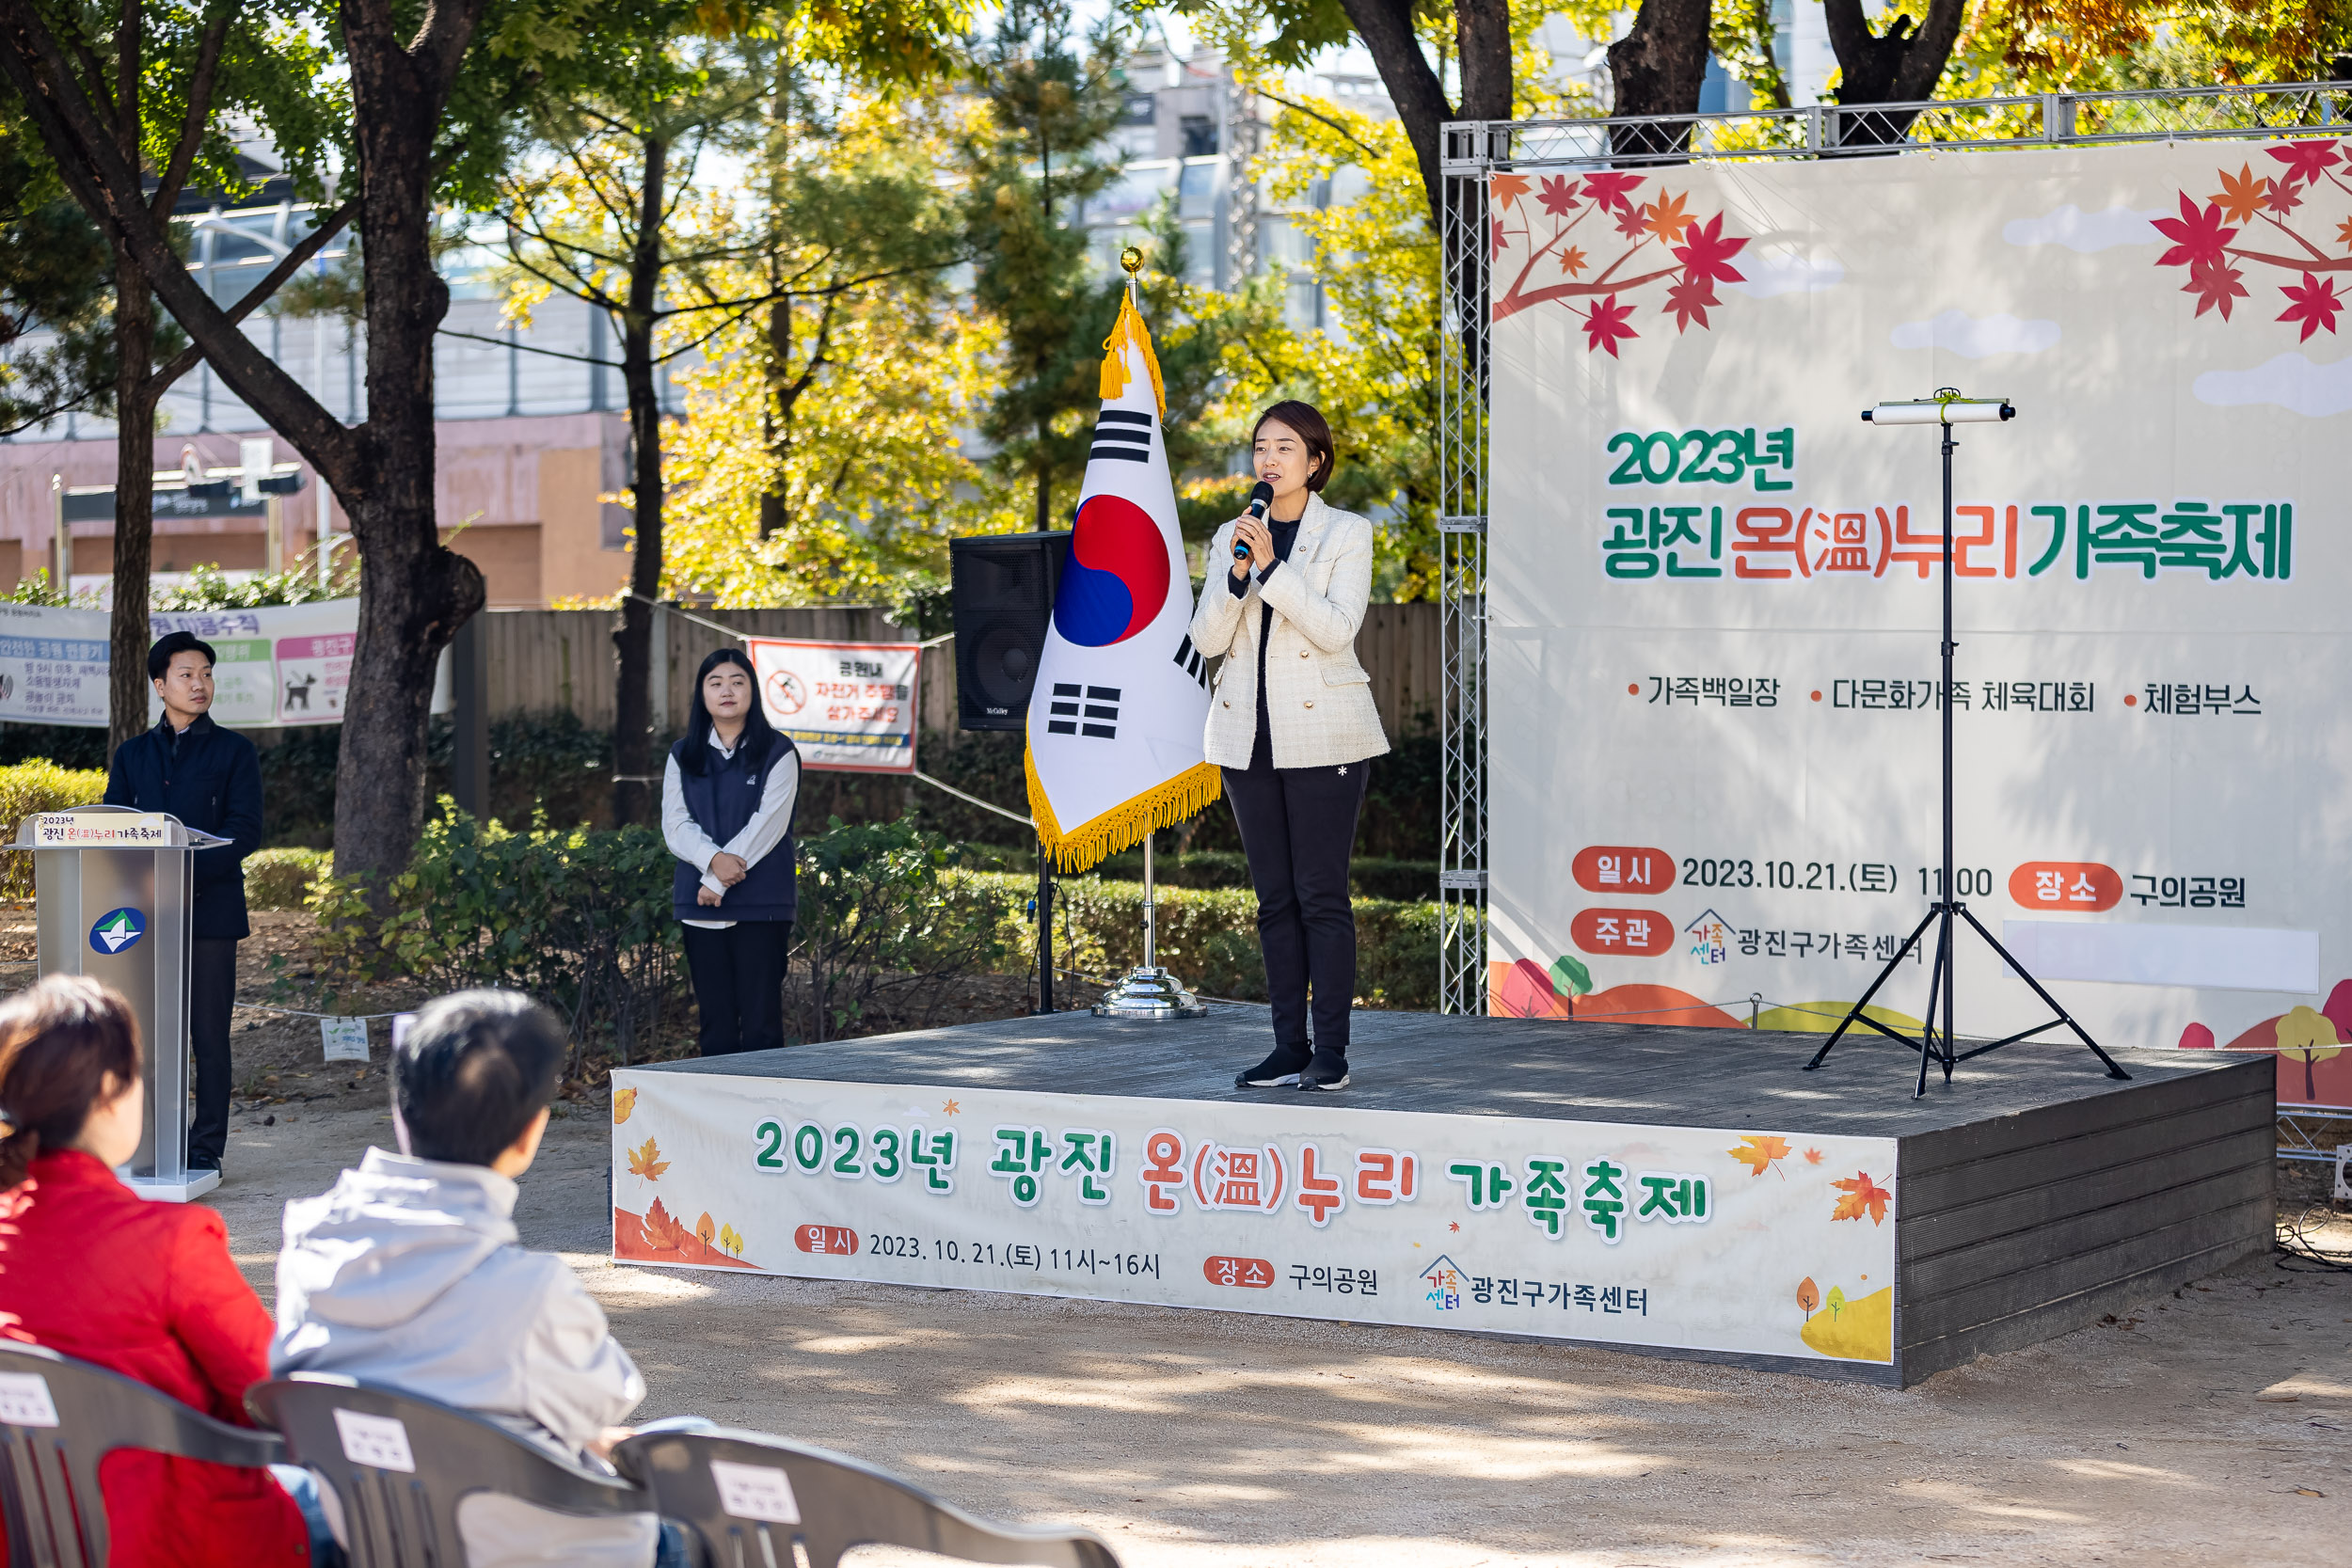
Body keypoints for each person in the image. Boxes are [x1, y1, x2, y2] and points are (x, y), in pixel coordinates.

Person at [272, 990, 695, 1568]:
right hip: (512, 1546)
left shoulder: (307, 1243)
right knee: (693, 1470)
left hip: (368, 1535)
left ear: (400, 1111)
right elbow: (605, 1400)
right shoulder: (530, 1290)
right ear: (531, 1135)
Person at [0, 974, 332, 1568]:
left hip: (25, 1539)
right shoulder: (168, 1242)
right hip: (179, 1538)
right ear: (109, 1090)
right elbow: (269, 1400)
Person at [1189, 401, 1390, 1092]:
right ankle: (1287, 1046)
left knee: (1321, 895)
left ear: (1315, 461)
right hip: (1247, 737)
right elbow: (1208, 640)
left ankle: (1330, 1050)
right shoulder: (1230, 534)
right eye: (1260, 447)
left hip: (1326, 733)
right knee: (1273, 899)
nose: (1269, 459)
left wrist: (1274, 572)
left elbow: (1336, 629)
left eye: (1285, 447)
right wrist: (1239, 575)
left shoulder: (1347, 532)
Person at [103, 628, 262, 1176]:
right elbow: (114, 827)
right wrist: (144, 881)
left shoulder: (235, 751)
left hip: (211, 916)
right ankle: (142, 1139)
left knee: (209, 1037)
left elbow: (245, 831)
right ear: (159, 684)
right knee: (139, 1031)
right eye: (187, 675)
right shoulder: (132, 755)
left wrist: (184, 872)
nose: (200, 684)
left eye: (207, 674)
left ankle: (205, 1148)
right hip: (144, 916)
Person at [661, 647, 801, 1055]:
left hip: (761, 902)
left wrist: (714, 879)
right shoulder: (682, 754)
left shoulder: (778, 751)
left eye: (738, 682)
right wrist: (712, 864)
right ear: (701, 694)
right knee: (715, 1023)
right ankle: (717, 1116)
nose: (727, 691)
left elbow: (768, 825)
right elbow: (675, 824)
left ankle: (765, 1115)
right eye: (715, 682)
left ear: (752, 692)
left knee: (762, 1025)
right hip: (699, 906)